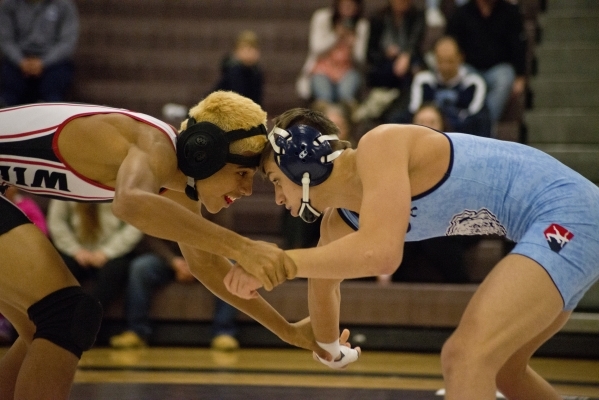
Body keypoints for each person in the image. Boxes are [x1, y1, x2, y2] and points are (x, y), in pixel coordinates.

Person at [225, 107, 599, 399]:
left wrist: (279, 262)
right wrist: (329, 348)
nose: (276, 199)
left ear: (301, 164)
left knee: (465, 357)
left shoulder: (381, 145)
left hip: (567, 214)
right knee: (503, 370)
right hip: (557, 223)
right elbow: (324, 285)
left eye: (276, 181)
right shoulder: (339, 224)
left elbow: (382, 254)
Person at [0, 92, 337, 400]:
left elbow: (206, 265)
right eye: (242, 174)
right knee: (67, 315)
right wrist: (244, 248)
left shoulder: (177, 181)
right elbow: (129, 203)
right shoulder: (154, 144)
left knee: (42, 332)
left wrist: (287, 330)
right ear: (204, 153)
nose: (248, 190)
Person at [109, 236, 241, 351]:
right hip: (167, 258)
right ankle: (136, 331)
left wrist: (195, 261)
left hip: (205, 259)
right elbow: (148, 235)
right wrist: (172, 261)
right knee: (140, 268)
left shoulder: (215, 206)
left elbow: (222, 235)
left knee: (230, 266)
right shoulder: (160, 206)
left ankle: (224, 332)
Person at [46, 200, 143, 310]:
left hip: (113, 252)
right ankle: (59, 318)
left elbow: (134, 224)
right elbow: (57, 222)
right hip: (75, 250)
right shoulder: (66, 185)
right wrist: (75, 250)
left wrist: (107, 252)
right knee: (60, 269)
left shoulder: (122, 186)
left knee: (115, 270)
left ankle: (88, 318)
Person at [446, 0, 527, 127]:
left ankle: (485, 124)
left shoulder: (510, 12)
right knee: (462, 75)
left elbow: (518, 45)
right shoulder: (462, 12)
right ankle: (464, 121)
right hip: (470, 68)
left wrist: (520, 76)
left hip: (498, 68)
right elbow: (451, 42)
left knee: (505, 77)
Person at [407, 36, 491, 136]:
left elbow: (478, 121)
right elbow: (412, 114)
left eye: (450, 61)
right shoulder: (423, 82)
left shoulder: (474, 84)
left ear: (460, 57)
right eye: (441, 61)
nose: (445, 67)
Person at [0, 0, 79, 106]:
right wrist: (21, 61)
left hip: (53, 63)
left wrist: (43, 63)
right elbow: (5, 39)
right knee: (8, 96)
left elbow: (67, 42)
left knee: (53, 95)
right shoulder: (9, 5)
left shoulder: (64, 5)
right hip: (18, 62)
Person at [296, 0, 369, 105]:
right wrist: (336, 37)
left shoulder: (361, 25)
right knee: (325, 97)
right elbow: (316, 49)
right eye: (344, 3)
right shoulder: (322, 18)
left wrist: (352, 46)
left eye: (351, 4)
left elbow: (361, 59)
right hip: (322, 70)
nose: (348, 7)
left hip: (348, 71)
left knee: (346, 96)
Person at [211, 30, 264, 106]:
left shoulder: (256, 73)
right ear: (236, 52)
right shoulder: (233, 72)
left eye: (252, 49)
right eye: (244, 49)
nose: (248, 53)